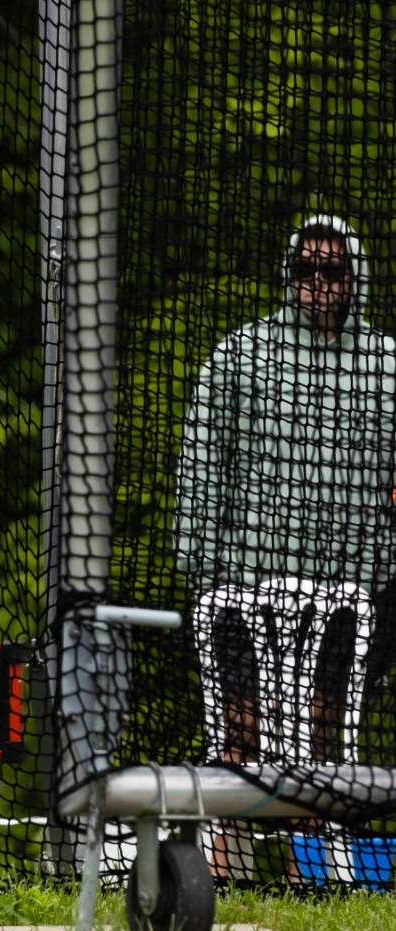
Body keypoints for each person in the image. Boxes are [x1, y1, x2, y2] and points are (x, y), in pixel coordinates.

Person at [174, 214, 396, 877]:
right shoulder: (240, 354)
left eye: (332, 270)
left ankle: (314, 870)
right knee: (239, 730)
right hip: (246, 580)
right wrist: (201, 565)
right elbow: (201, 462)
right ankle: (226, 867)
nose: (318, 283)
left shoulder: (385, 364)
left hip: (351, 585)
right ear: (287, 274)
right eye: (306, 269)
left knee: (322, 732)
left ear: (354, 278)